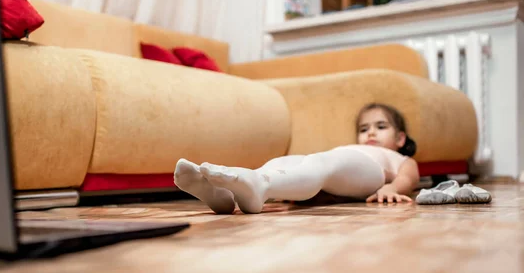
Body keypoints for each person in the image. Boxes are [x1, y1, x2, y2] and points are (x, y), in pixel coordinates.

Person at [173, 103, 420, 214]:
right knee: (285, 162)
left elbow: (410, 177)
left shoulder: (395, 157)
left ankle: (259, 186)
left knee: (321, 164)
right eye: (364, 129)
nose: (371, 133)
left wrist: (391, 187)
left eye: (380, 126)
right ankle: (228, 196)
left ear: (400, 138)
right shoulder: (352, 149)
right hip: (340, 166)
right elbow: (339, 183)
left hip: (371, 171)